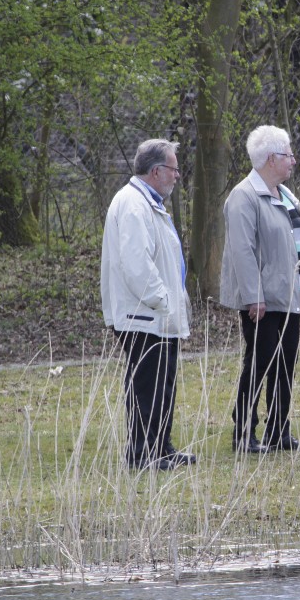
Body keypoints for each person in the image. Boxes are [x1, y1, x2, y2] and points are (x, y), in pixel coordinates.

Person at [221, 125, 300, 454]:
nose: (293, 160)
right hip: (263, 300)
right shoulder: (244, 196)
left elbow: (299, 246)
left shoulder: (287, 196)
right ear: (271, 158)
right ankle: (243, 431)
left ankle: (279, 431)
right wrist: (254, 296)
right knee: (260, 362)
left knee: (286, 363)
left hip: (289, 295)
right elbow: (242, 251)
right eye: (288, 154)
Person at [101, 138, 196, 469]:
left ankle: (161, 446)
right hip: (144, 312)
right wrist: (164, 299)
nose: (177, 175)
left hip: (157, 313)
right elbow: (137, 266)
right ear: (156, 171)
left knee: (163, 382)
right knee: (147, 384)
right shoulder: (133, 205)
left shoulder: (148, 203)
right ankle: (142, 453)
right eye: (173, 169)